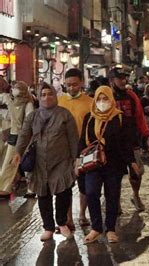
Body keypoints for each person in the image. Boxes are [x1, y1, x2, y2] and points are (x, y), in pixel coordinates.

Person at [12, 83, 78, 241]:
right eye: (43, 94)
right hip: (40, 162)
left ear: (55, 96)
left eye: (50, 94)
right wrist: (18, 153)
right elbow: (24, 135)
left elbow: (73, 138)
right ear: (39, 97)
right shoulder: (33, 116)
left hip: (61, 161)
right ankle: (48, 227)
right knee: (43, 193)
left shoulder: (64, 114)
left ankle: (62, 223)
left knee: (63, 191)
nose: (46, 97)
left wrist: (76, 159)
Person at [76, 86, 138, 244]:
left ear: (111, 100)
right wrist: (77, 160)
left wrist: (132, 162)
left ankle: (110, 229)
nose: (102, 102)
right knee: (91, 192)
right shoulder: (89, 118)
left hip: (114, 164)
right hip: (93, 164)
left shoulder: (120, 118)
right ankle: (96, 228)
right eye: (99, 99)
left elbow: (126, 143)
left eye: (106, 99)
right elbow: (83, 141)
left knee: (112, 196)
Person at [109, 68, 149, 212]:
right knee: (116, 174)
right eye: (120, 78)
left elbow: (139, 117)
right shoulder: (106, 97)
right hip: (113, 142)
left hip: (132, 140)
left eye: (124, 78)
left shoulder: (131, 96)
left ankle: (136, 195)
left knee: (137, 171)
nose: (123, 81)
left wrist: (146, 135)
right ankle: (116, 201)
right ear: (112, 80)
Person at [58, 68, 94, 228]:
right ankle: (68, 219)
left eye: (74, 84)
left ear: (81, 83)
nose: (71, 88)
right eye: (68, 85)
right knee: (65, 186)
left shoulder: (90, 103)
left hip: (85, 149)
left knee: (84, 185)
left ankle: (81, 214)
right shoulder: (59, 101)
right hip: (64, 150)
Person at [0, 81, 34, 198]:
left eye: (16, 88)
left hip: (23, 136)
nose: (14, 90)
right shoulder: (13, 102)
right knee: (10, 162)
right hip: (13, 135)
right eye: (13, 87)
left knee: (26, 162)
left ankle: (30, 188)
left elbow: (29, 121)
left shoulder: (28, 103)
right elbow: (10, 117)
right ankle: (5, 187)